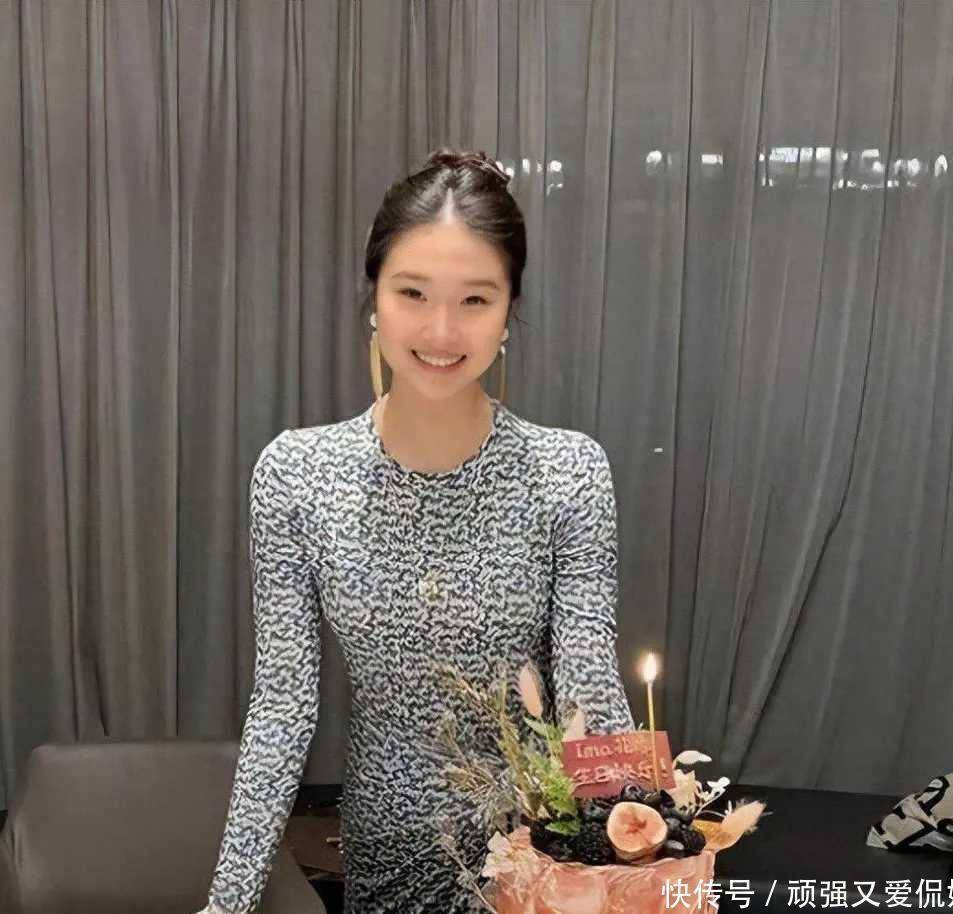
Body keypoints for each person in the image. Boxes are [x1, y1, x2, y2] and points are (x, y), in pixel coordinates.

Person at [200, 148, 636, 914]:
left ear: (509, 310)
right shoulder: (297, 474)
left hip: (539, 857)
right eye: (412, 293)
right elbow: (282, 706)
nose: (441, 329)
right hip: (388, 853)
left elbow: (589, 694)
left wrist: (640, 858)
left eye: (475, 299)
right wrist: (227, 905)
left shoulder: (568, 472)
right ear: (374, 295)